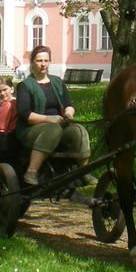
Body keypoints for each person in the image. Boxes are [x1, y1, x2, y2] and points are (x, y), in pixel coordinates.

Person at [15, 45, 92, 186]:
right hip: (30, 129)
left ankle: (84, 172)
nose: (43, 64)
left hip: (58, 124)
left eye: (46, 60)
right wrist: (49, 119)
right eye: (39, 61)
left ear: (50, 61)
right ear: (32, 62)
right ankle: (31, 171)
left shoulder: (57, 81)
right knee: (53, 130)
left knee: (79, 130)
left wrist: (69, 113)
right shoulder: (25, 85)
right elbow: (24, 114)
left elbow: (68, 103)